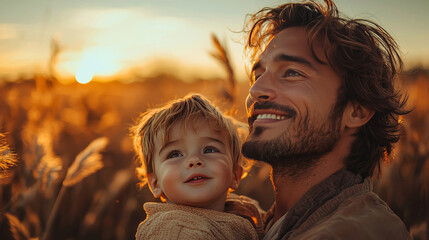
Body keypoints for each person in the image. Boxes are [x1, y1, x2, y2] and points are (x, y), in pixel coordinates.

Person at [241, 0, 412, 239]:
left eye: (292, 73)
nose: (256, 90)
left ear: (357, 111)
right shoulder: (256, 222)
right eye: (258, 74)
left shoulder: (354, 233)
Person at [132, 94, 263, 240]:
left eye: (209, 150)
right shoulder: (174, 230)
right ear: (155, 183)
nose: (194, 161)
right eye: (175, 154)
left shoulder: (243, 210)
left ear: (235, 174)